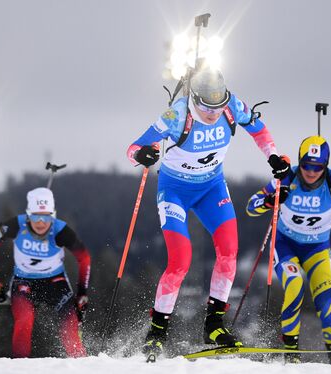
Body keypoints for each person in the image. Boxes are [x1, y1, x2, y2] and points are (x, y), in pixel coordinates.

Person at [126, 68, 290, 358]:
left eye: (218, 106)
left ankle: (214, 324)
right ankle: (157, 331)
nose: (213, 113)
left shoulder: (231, 106)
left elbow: (258, 129)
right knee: (180, 260)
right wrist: (141, 155)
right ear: (194, 99)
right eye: (206, 107)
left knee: (229, 251)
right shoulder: (177, 115)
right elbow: (134, 147)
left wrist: (273, 157)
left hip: (211, 188)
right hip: (175, 190)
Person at [246, 135, 331, 364]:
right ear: (300, 161)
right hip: (285, 246)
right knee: (295, 285)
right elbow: (251, 206)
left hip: (317, 249)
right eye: (307, 164)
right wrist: (270, 202)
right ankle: (291, 352)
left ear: (325, 166)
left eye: (318, 166)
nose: (311, 171)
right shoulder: (286, 176)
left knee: (326, 304)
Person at [0, 187, 91, 358]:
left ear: (52, 215)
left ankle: (81, 363)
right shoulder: (16, 225)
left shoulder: (60, 230)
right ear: (28, 215)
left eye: (46, 216)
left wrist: (82, 293)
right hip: (24, 281)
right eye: (35, 216)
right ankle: (20, 367)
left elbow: (84, 258)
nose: (41, 222)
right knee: (25, 319)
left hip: (55, 281)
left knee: (69, 323)